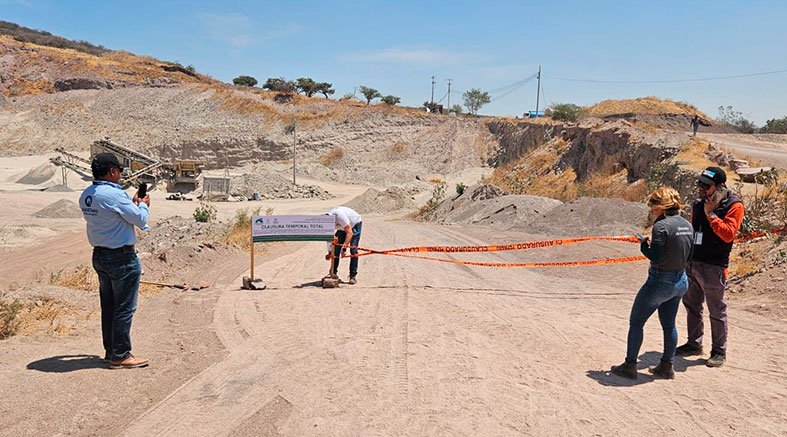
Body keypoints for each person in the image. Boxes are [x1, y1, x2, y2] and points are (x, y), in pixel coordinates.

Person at [611, 187, 694, 380]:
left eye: (652, 207)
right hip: (680, 280)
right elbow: (690, 254)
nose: (651, 211)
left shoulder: (661, 226)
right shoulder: (686, 224)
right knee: (669, 325)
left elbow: (655, 256)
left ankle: (630, 365)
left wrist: (643, 245)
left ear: (660, 207)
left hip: (659, 280)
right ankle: (667, 366)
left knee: (636, 322)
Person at [79, 152, 150, 369]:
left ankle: (111, 351)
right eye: (118, 170)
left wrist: (132, 204)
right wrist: (143, 204)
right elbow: (140, 219)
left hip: (100, 255)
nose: (120, 174)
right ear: (112, 171)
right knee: (125, 307)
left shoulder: (86, 194)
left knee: (109, 306)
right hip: (121, 257)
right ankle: (121, 355)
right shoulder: (114, 195)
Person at [675, 167, 744, 367]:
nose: (701, 188)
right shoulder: (698, 204)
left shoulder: (734, 205)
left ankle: (718, 351)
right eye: (700, 184)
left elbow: (729, 234)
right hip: (693, 262)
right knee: (692, 305)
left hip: (714, 266)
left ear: (720, 187)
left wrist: (711, 215)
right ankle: (694, 343)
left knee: (717, 310)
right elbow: (691, 230)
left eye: (706, 186)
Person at [324, 206, 362, 284]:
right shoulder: (326, 221)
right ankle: (333, 272)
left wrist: (344, 248)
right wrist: (330, 252)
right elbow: (330, 238)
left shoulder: (340, 216)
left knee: (353, 250)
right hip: (342, 227)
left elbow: (350, 233)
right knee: (336, 249)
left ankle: (352, 276)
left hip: (355, 224)